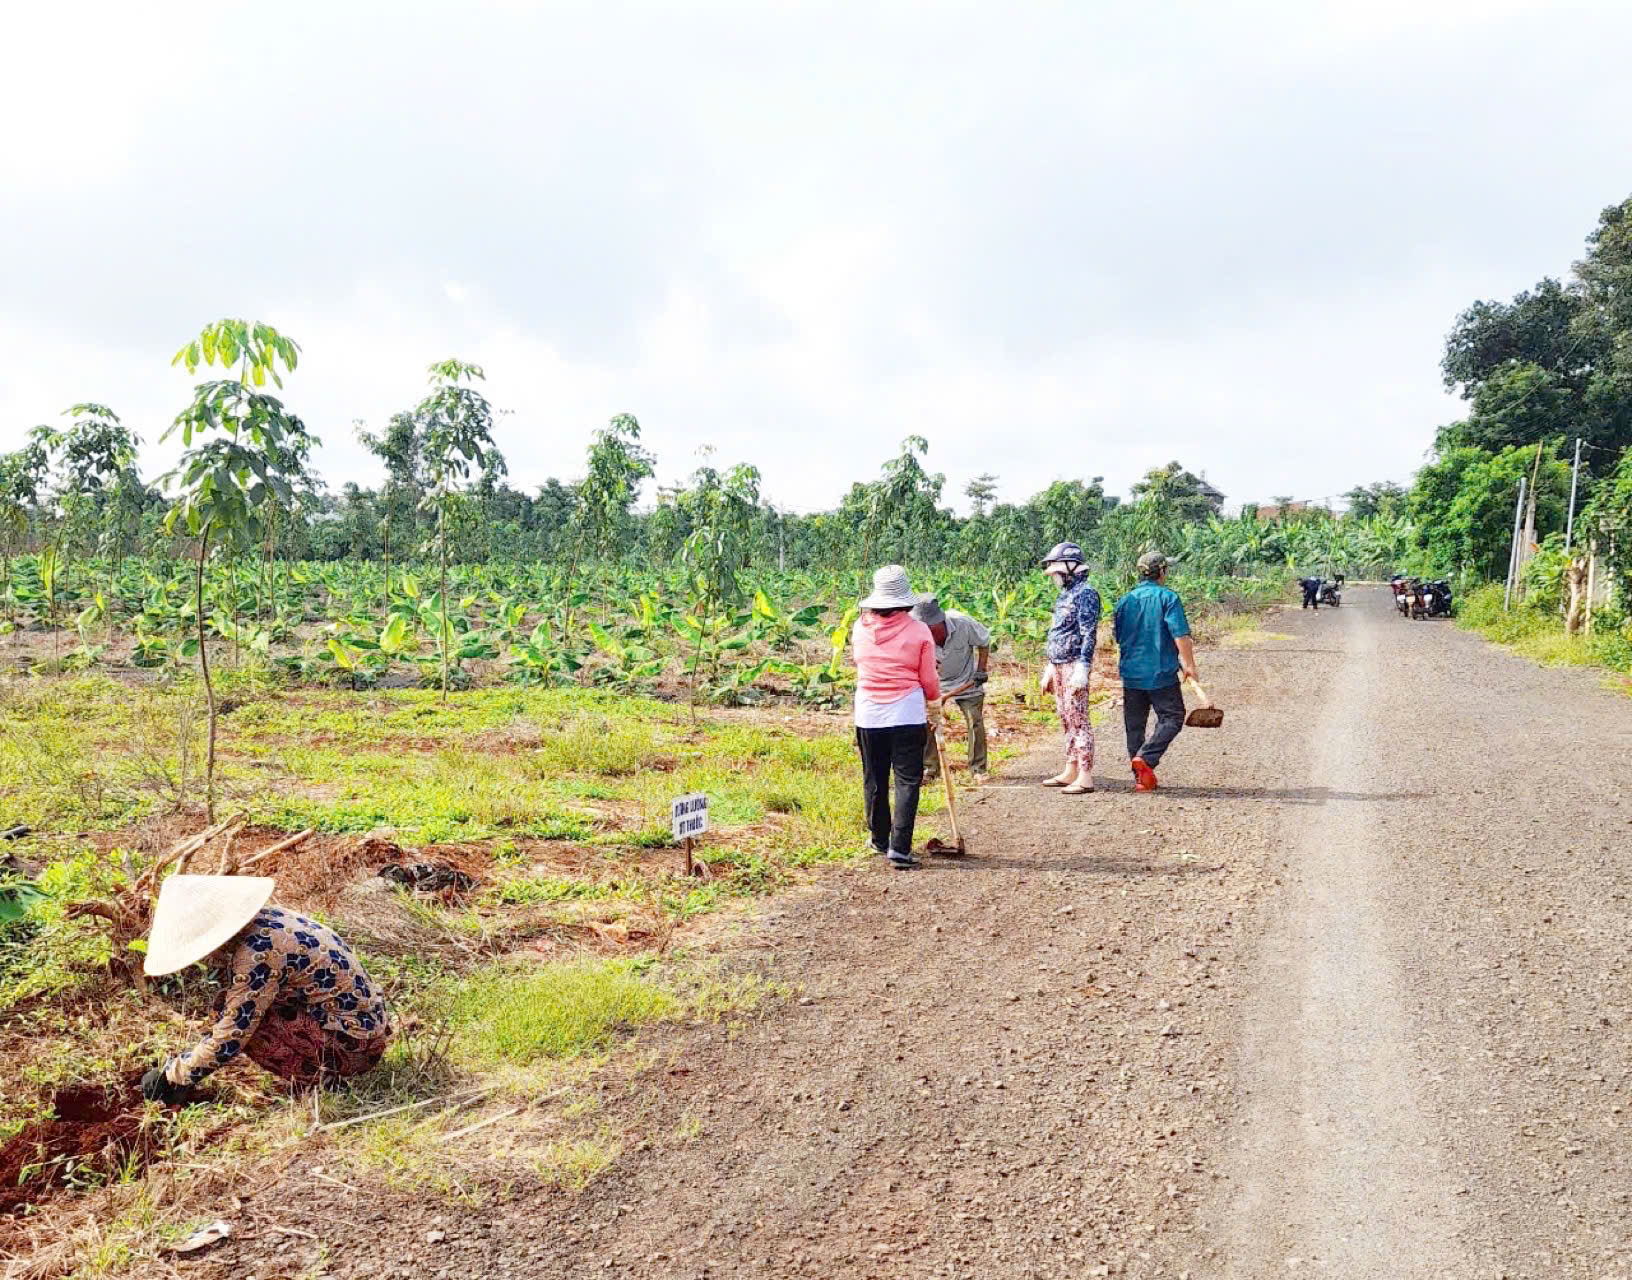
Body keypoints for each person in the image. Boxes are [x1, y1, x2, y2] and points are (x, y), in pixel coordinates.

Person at [139, 875, 391, 1102]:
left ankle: (322, 1082)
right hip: (366, 1027)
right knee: (230, 1005)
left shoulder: (257, 952)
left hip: (356, 1046)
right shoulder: (270, 918)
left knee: (247, 1022)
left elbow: (231, 1037)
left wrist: (173, 1075)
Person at [851, 566, 940, 870]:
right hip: (906, 713)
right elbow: (929, 679)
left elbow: (859, 664)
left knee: (874, 778)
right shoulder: (918, 630)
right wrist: (935, 703)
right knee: (906, 780)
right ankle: (900, 849)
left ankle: (878, 839)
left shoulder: (859, 628)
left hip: (868, 714)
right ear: (904, 599)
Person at [1113, 552, 1199, 792]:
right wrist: (1189, 665)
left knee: (1135, 726)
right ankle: (1147, 758)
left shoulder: (1125, 600)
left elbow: (1119, 637)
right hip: (1160, 674)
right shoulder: (1168, 598)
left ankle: (1141, 778)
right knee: (1173, 717)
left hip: (1132, 674)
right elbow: (1180, 635)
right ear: (1162, 572)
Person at [1037, 541, 1102, 795]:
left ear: (1071, 567)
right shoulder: (1065, 594)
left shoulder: (1086, 594)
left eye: (1056, 571)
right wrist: (1050, 668)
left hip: (1075, 664)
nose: (1054, 577)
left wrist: (1083, 669)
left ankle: (1085, 775)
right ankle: (1070, 768)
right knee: (1065, 718)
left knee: (1079, 719)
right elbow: (1058, 633)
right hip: (1060, 664)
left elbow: (1089, 635)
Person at [910, 595, 990, 780]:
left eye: (928, 627)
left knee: (974, 720)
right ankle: (930, 769)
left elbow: (984, 642)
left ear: (938, 622)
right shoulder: (917, 635)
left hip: (966, 681)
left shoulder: (963, 624)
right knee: (927, 722)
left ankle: (978, 770)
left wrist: (981, 670)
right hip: (935, 683)